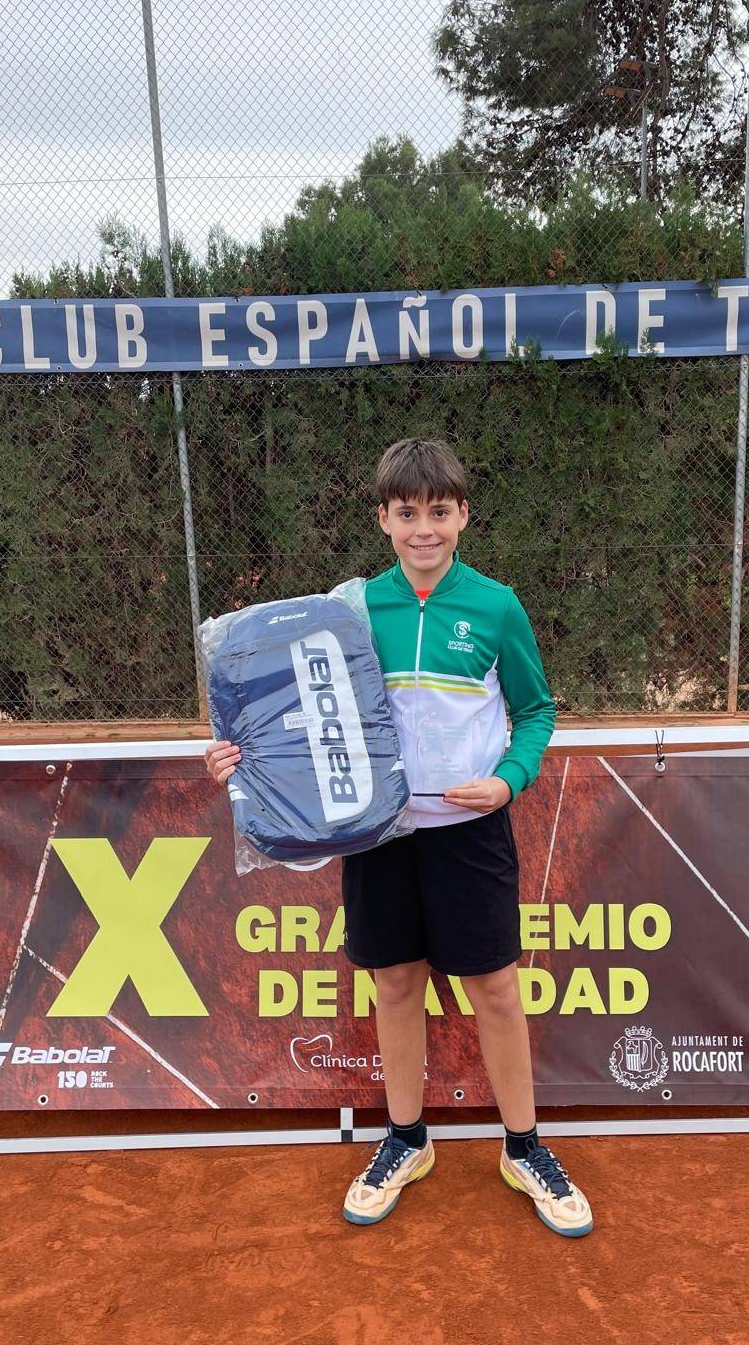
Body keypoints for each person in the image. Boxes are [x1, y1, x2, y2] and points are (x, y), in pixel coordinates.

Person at [206, 437, 593, 1238]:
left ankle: (523, 1146)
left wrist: (508, 780)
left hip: (469, 834)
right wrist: (235, 755)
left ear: (464, 515)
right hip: (377, 836)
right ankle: (407, 1140)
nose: (424, 529)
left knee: (496, 989)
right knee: (393, 985)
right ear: (382, 518)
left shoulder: (497, 607)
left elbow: (536, 711)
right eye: (407, 513)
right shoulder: (348, 612)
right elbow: (287, 713)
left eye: (439, 512)